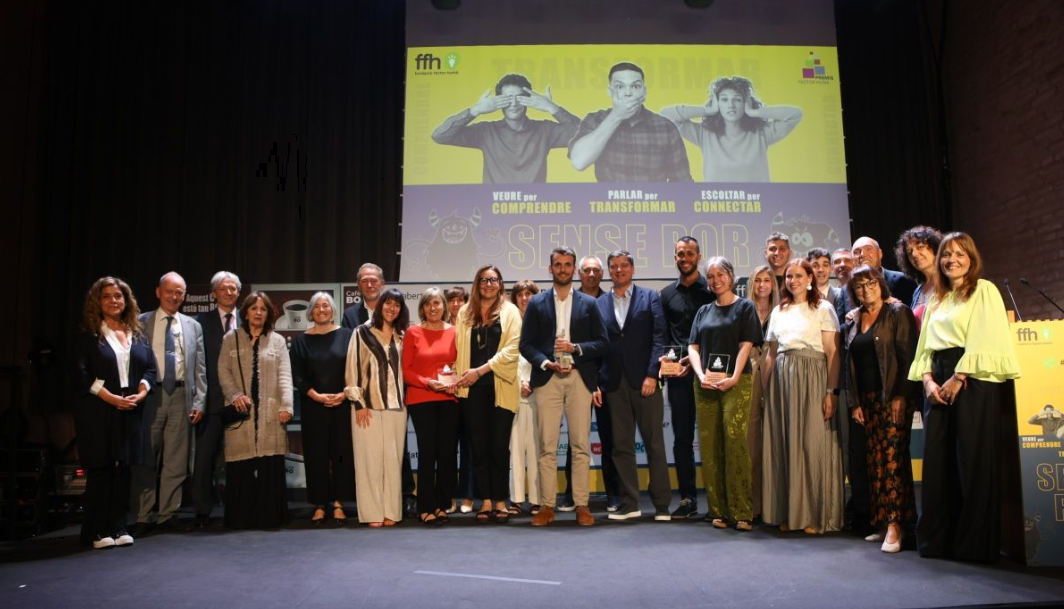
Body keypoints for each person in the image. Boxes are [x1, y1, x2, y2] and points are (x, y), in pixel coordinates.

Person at [908, 232, 1020, 562]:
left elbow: (986, 337)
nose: (952, 260)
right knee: (938, 462)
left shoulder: (983, 290)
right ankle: (939, 542)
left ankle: (973, 546)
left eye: (960, 254)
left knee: (972, 461)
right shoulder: (937, 299)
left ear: (971, 258)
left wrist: (959, 377)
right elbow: (925, 347)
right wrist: (928, 380)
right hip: (937, 378)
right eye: (947, 254)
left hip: (973, 377)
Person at [520, 247, 609, 526]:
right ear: (550, 269)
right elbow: (525, 345)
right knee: (547, 446)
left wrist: (575, 349)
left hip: (580, 379)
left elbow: (603, 342)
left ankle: (582, 505)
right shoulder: (537, 302)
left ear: (574, 269)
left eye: (568, 264)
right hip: (547, 379)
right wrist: (546, 363)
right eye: (557, 264)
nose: (562, 269)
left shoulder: (589, 303)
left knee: (580, 446)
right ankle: (547, 506)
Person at [73, 277, 156, 549]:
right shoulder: (88, 334)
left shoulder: (137, 332)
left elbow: (150, 369)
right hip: (98, 409)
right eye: (107, 296)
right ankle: (96, 531)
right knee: (102, 468)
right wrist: (109, 397)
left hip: (130, 407)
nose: (113, 300)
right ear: (97, 301)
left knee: (123, 469)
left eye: (118, 296)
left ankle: (119, 526)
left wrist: (142, 392)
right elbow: (81, 374)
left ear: (126, 300)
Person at [762, 259, 843, 534]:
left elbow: (833, 353)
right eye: (788, 276)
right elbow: (771, 355)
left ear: (810, 278)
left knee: (811, 444)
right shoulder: (778, 311)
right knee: (785, 445)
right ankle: (791, 513)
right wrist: (766, 392)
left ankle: (815, 516)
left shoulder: (823, 308)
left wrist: (831, 392)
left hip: (813, 378)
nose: (793, 280)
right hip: (782, 382)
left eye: (798, 275)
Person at [842, 266, 919, 553]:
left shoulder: (897, 312)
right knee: (874, 463)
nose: (866, 289)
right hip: (867, 402)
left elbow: (908, 357)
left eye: (870, 283)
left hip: (893, 397)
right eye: (859, 286)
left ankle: (897, 526)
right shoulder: (854, 319)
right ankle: (883, 522)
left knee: (892, 462)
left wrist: (901, 395)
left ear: (881, 283)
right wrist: (856, 403)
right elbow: (851, 366)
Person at [593, 250, 671, 522]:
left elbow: (659, 337)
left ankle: (662, 506)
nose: (619, 270)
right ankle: (630, 503)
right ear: (609, 271)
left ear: (633, 269)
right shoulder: (599, 304)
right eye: (614, 266)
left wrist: (652, 375)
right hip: (613, 383)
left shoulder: (650, 297)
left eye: (624, 265)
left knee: (655, 444)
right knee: (621, 446)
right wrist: (596, 383)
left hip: (645, 382)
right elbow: (597, 346)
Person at [688, 257, 763, 530]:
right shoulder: (703, 311)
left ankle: (742, 512)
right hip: (706, 385)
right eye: (710, 276)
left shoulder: (745, 307)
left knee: (734, 442)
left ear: (731, 277)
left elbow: (746, 345)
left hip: (736, 383)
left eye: (720, 274)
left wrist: (733, 377)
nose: (715, 280)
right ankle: (717, 510)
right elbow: (693, 347)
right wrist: (700, 376)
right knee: (710, 446)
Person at [131, 272, 207, 536]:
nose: (174, 297)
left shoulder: (193, 326)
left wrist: (200, 401)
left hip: (182, 396)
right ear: (158, 292)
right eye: (169, 291)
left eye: (179, 293)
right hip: (151, 395)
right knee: (146, 458)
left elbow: (200, 368)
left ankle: (167, 515)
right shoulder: (140, 322)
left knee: (176, 460)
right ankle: (142, 516)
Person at [342, 263, 417, 517]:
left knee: (393, 462)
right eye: (388, 303)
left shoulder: (403, 336)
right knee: (369, 461)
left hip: (397, 408)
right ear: (380, 305)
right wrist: (358, 404)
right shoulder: (361, 332)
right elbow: (352, 371)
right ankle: (372, 512)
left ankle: (391, 512)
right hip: (368, 408)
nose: (391, 308)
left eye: (397, 305)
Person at [217, 292, 294, 529]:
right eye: (254, 308)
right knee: (240, 464)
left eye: (263, 309)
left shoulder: (277, 341)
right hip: (241, 411)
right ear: (246, 312)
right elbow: (223, 371)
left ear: (268, 313)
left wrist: (286, 405)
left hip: (270, 413)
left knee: (270, 465)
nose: (258, 313)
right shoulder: (231, 338)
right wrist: (235, 396)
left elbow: (285, 375)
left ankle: (271, 517)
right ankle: (241, 518)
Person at [454, 265, 522, 523]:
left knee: (499, 447)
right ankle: (485, 501)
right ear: (477, 283)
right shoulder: (464, 312)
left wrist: (480, 370)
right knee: (479, 447)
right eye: (484, 280)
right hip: (471, 390)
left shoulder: (511, 311)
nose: (488, 284)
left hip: (501, 387)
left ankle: (501, 499)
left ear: (500, 284)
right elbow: (457, 348)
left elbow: (512, 349)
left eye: (493, 280)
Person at [555, 255, 620, 512]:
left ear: (602, 274)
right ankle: (571, 493)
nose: (591, 274)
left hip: (607, 380)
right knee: (576, 439)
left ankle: (613, 494)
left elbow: (609, 343)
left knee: (610, 439)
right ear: (578, 273)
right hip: (577, 378)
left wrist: (601, 379)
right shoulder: (569, 300)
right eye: (586, 270)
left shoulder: (610, 300)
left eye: (596, 270)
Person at [431, 73, 580, 184]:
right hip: (492, 208)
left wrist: (552, 108)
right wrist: (475, 110)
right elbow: (440, 136)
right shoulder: (485, 132)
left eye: (519, 98)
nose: (513, 104)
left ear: (528, 100)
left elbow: (585, 135)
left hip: (534, 208)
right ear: (498, 101)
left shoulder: (545, 130)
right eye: (507, 98)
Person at [659, 236, 715, 519]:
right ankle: (687, 499)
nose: (685, 258)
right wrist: (665, 360)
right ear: (675, 258)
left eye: (690, 253)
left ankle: (719, 502)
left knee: (712, 438)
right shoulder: (666, 294)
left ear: (698, 256)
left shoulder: (713, 290)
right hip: (679, 375)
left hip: (710, 374)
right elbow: (663, 335)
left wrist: (699, 364)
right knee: (682, 439)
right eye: (680, 253)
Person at [290, 292, 355, 525]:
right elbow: (296, 375)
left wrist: (344, 394)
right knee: (316, 455)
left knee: (341, 455)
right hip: (313, 406)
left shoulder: (347, 335)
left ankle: (339, 503)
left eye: (325, 305)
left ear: (333, 310)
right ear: (310, 312)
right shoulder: (300, 341)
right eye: (316, 306)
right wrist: (316, 396)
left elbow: (356, 368)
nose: (321, 309)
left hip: (342, 404)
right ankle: (319, 504)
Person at [660, 75, 802, 182]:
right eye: (724, 99)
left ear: (745, 103)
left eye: (737, 99)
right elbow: (666, 115)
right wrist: (708, 110)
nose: (731, 105)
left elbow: (795, 115)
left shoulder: (762, 133)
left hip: (758, 207)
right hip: (717, 208)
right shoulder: (705, 134)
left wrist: (755, 112)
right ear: (717, 103)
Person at [569, 62, 692, 182]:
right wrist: (616, 116)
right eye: (620, 87)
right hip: (609, 196)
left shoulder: (666, 127)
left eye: (635, 86)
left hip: (654, 196)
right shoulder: (595, 120)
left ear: (644, 91)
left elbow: (682, 181)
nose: (628, 93)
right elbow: (579, 162)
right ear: (610, 91)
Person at [402, 287, 460, 525]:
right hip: (421, 399)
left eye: (436, 303)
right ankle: (425, 506)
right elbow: (406, 371)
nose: (432, 308)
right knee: (427, 453)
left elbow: (461, 364)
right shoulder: (413, 332)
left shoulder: (456, 331)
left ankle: (442, 504)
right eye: (428, 304)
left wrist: (456, 382)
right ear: (422, 308)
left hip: (450, 399)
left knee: (447, 453)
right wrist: (428, 383)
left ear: (444, 306)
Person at [192, 271, 241, 529]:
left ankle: (238, 508)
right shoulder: (199, 322)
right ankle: (202, 510)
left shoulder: (250, 319)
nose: (229, 292)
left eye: (233, 288)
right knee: (204, 459)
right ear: (214, 294)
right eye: (224, 289)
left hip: (241, 403)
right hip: (210, 401)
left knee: (240, 459)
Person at [747, 264, 779, 519]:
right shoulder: (743, 310)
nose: (762, 285)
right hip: (748, 377)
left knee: (775, 440)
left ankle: (775, 505)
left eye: (767, 280)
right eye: (757, 280)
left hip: (777, 375)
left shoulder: (782, 311)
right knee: (751, 442)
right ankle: (753, 505)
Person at [509, 280, 541, 515]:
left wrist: (533, 383)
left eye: (529, 294)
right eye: (520, 294)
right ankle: (517, 499)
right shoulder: (508, 324)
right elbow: (506, 359)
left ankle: (539, 499)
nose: (525, 298)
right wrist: (520, 382)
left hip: (541, 393)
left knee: (539, 449)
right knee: (517, 450)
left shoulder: (545, 323)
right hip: (515, 393)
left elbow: (549, 356)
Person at [445, 285, 476, 514]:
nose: (456, 304)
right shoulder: (439, 327)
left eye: (460, 300)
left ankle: (467, 496)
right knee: (446, 449)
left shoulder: (473, 325)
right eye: (451, 300)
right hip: (445, 395)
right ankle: (448, 496)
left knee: (469, 448)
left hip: (469, 394)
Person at [894, 226, 943, 322]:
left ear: (935, 247)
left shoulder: (949, 282)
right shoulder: (918, 291)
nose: (914, 254)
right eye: (909, 251)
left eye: (920, 247)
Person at [852, 236, 918, 308]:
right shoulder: (847, 290)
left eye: (868, 249)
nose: (862, 254)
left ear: (880, 253)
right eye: (856, 252)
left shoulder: (903, 281)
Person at [807, 247, 844, 316]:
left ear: (831, 268)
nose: (821, 270)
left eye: (825, 265)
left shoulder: (841, 295)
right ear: (808, 269)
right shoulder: (802, 295)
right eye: (815, 265)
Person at [830, 248, 856, 322]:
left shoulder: (863, 292)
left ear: (855, 264)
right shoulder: (830, 295)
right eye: (837, 262)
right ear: (832, 268)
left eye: (847, 260)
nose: (842, 264)